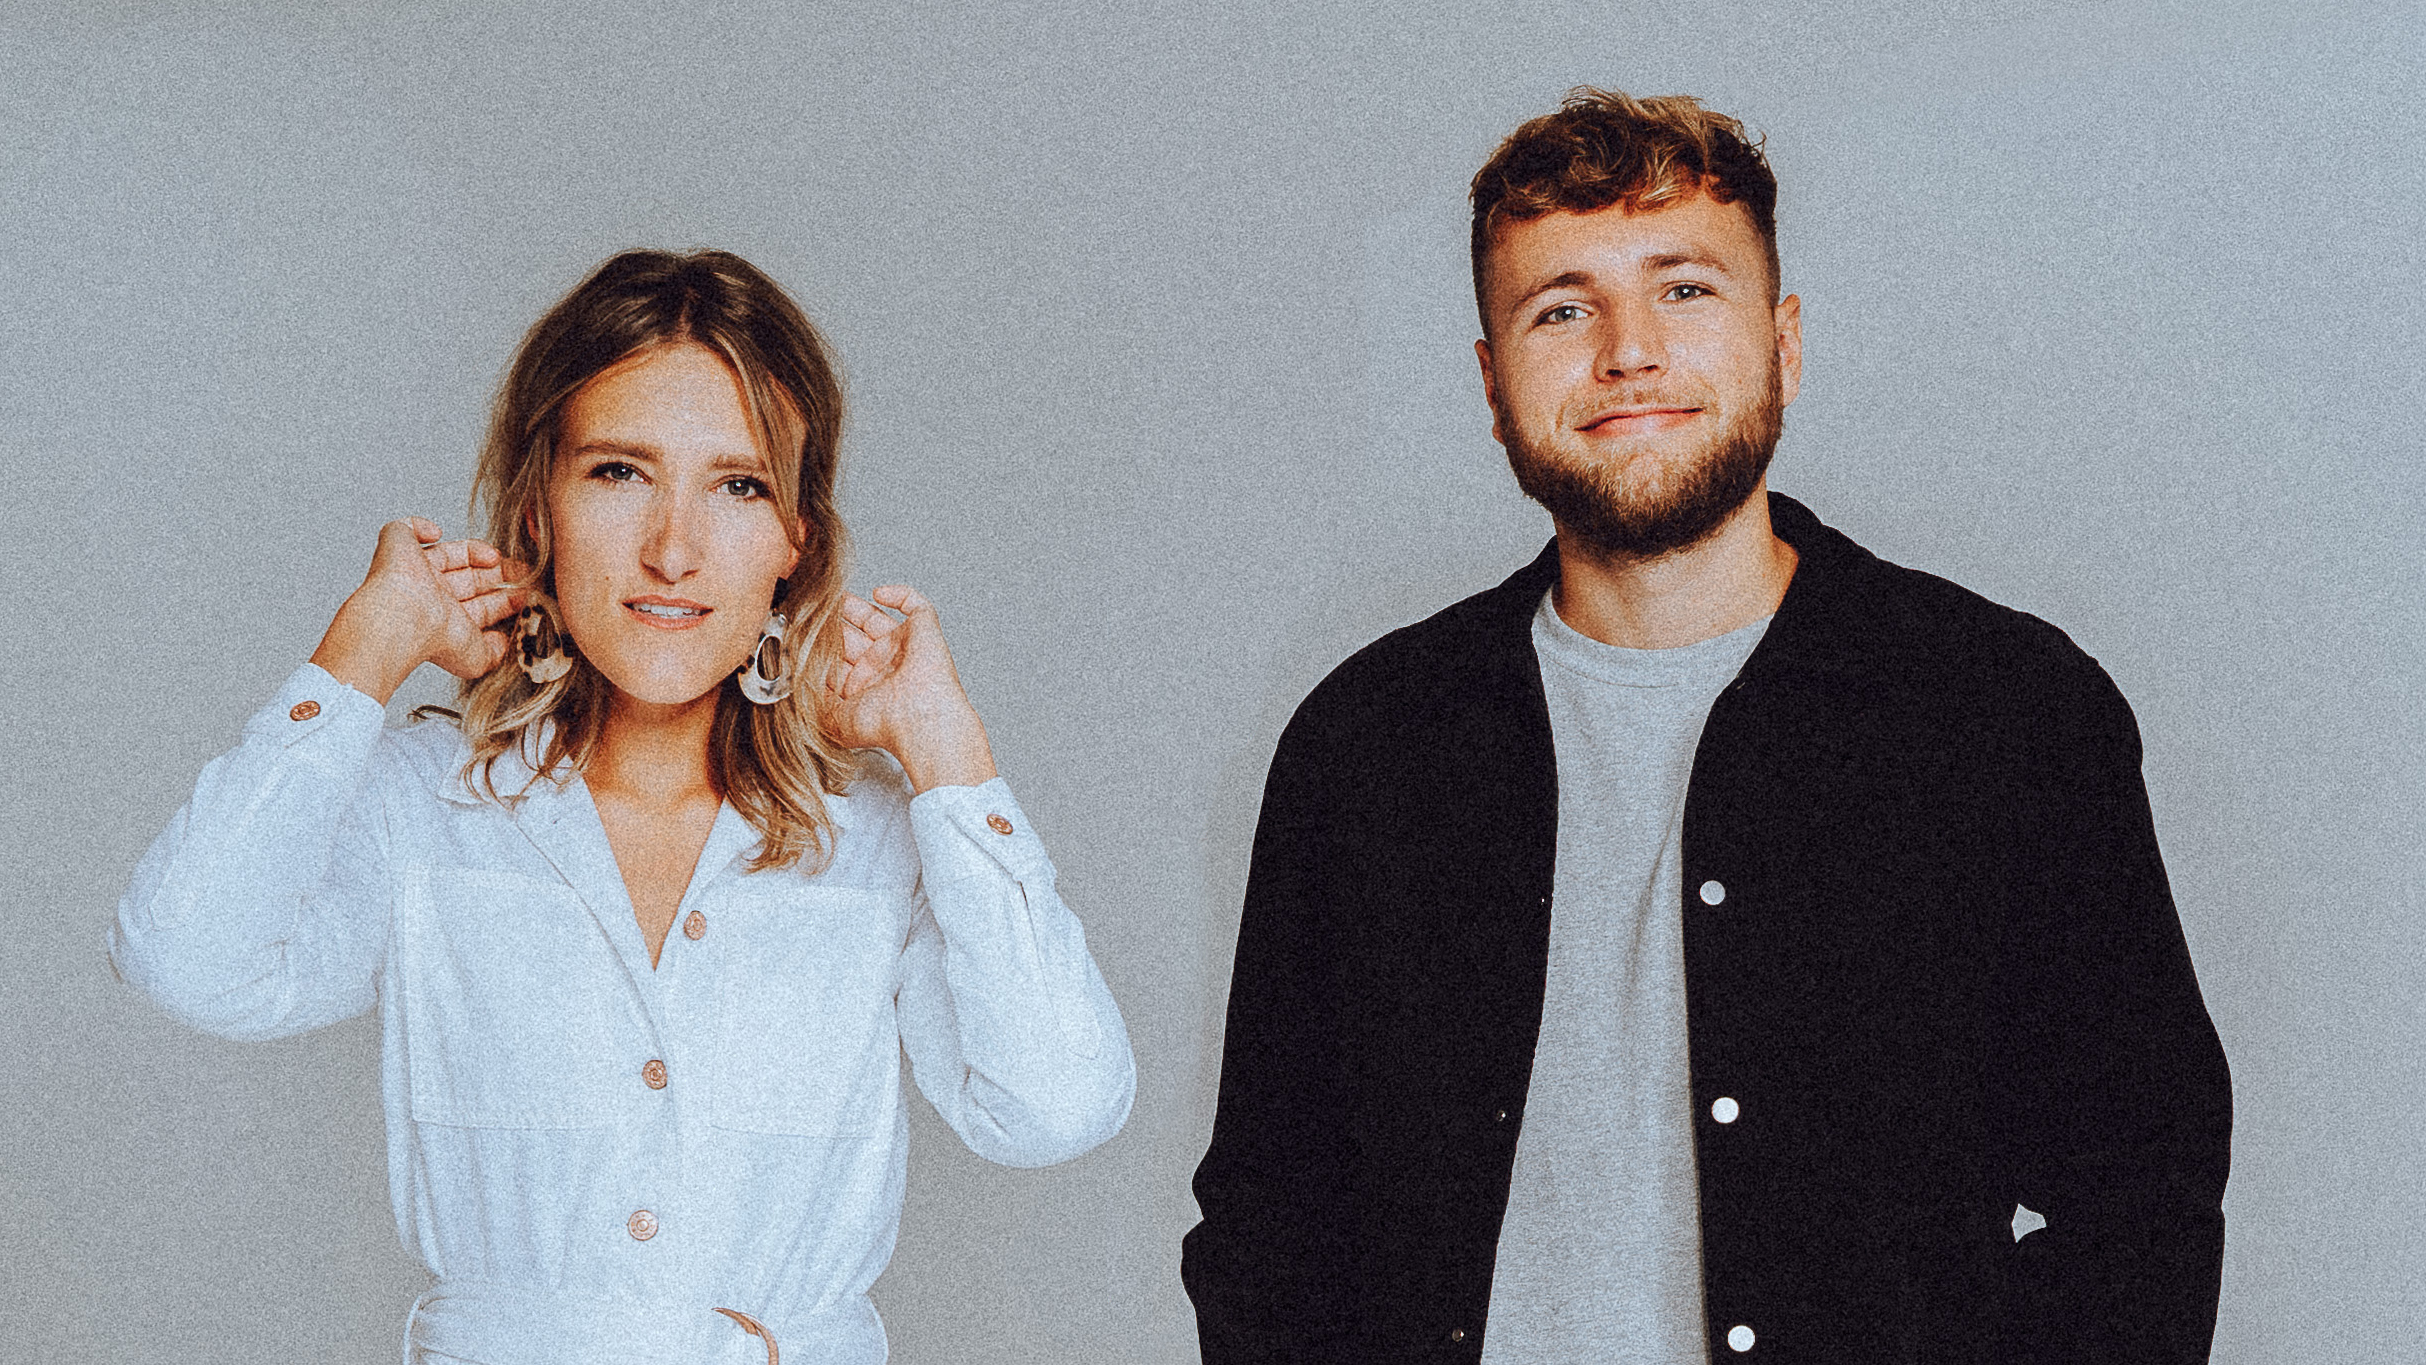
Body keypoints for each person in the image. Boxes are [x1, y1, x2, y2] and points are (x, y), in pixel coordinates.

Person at [1182, 89, 2231, 1363]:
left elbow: (2136, 1205)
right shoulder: (1367, 747)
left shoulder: (2004, 715)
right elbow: (1270, 1221)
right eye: (1560, 309)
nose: (1627, 351)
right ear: (1492, 384)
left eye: (1683, 290)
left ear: (1783, 346)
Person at [108, 249, 1135, 1365]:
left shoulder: (870, 835)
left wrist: (947, 751)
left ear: (795, 536)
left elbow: (1055, 1107)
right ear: (540, 504)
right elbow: (187, 957)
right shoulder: (430, 803)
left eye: (738, 486)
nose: (672, 551)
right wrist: (365, 649)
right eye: (618, 472)